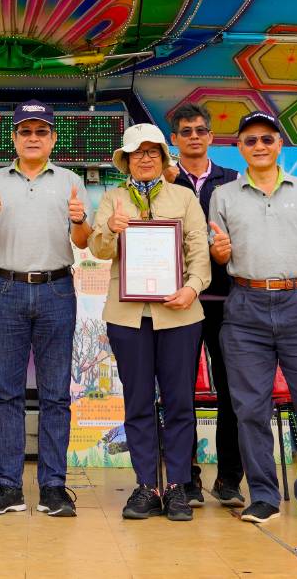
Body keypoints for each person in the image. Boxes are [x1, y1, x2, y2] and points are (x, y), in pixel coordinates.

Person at [207, 111, 297, 526]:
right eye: (250, 141)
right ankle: (264, 495)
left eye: (267, 139)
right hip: (244, 306)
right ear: (240, 148)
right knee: (250, 408)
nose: (260, 146)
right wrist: (219, 254)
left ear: (279, 144)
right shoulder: (224, 196)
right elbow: (220, 252)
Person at [0, 101, 90, 517]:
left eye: (42, 131)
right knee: (6, 392)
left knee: (56, 394)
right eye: (26, 131)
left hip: (57, 289)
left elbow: (84, 242)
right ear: (15, 138)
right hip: (6, 288)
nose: (34, 138)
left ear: (53, 138)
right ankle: (7, 486)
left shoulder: (71, 182)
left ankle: (54, 486)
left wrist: (79, 220)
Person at [89, 124, 210, 522]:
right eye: (136, 153)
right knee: (137, 400)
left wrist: (192, 289)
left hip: (180, 314)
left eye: (152, 152)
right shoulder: (112, 198)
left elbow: (198, 251)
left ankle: (176, 486)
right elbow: (98, 247)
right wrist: (112, 228)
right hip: (127, 316)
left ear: (162, 157)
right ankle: (146, 486)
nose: (144, 158)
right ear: (125, 160)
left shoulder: (184, 197)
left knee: (179, 402)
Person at [165, 102, 241, 507]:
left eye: (201, 130)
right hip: (175, 301)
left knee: (234, 391)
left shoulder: (233, 181)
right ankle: (185, 477)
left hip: (228, 300)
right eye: (186, 131)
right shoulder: (159, 181)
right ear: (173, 139)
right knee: (179, 393)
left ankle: (229, 478)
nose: (194, 136)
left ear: (211, 136)